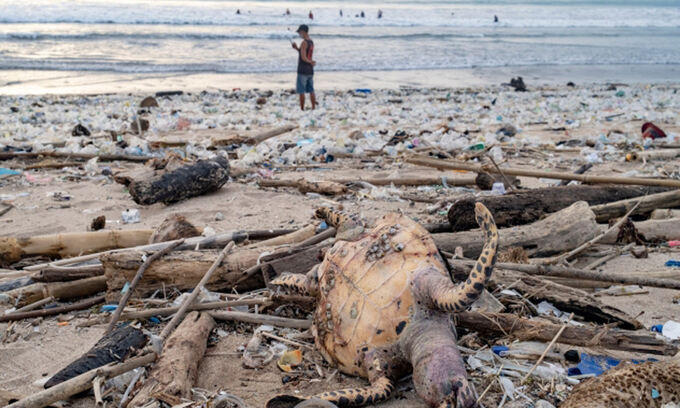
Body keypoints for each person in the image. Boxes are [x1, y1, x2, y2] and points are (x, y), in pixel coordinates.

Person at [291, 24, 316, 110]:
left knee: (301, 91)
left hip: (303, 69)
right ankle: (313, 107)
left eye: (299, 32)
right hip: (310, 70)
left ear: (303, 32)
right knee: (311, 90)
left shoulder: (304, 42)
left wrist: (310, 62)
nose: (299, 34)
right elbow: (304, 53)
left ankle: (302, 109)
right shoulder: (311, 42)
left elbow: (304, 58)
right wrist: (297, 48)